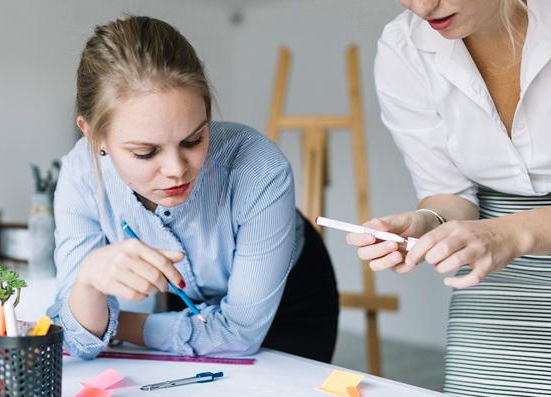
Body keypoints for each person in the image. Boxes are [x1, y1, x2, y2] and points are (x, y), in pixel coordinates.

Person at [349, 0, 551, 397]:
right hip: (497, 286)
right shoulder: (404, 48)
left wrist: (505, 234)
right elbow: (449, 197)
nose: (422, 7)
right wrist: (428, 223)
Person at [47, 16, 339, 363]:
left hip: (289, 302)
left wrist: (117, 324)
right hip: (186, 301)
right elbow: (79, 340)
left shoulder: (260, 168)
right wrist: (88, 282)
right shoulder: (80, 176)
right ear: (93, 135)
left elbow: (238, 334)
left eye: (193, 140)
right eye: (146, 152)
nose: (176, 170)